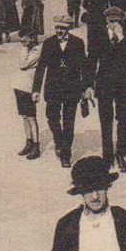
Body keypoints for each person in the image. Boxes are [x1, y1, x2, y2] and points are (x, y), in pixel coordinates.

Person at [33, 15, 90, 168]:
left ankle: (66, 154)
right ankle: (59, 141)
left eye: (62, 28)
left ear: (68, 29)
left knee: (69, 121)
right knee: (52, 117)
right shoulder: (49, 43)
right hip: (53, 88)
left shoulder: (78, 43)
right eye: (57, 28)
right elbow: (41, 67)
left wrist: (85, 87)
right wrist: (36, 90)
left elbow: (84, 66)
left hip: (72, 89)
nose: (59, 31)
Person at [89, 9, 126, 173]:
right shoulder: (98, 37)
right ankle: (107, 156)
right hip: (104, 84)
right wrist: (88, 85)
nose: (113, 25)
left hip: (124, 83)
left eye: (116, 22)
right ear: (106, 22)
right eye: (110, 22)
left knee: (124, 119)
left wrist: (122, 37)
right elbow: (92, 61)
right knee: (106, 121)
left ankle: (121, 154)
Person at [13, 35, 43, 160]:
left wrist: (25, 48)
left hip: (28, 88)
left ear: (32, 39)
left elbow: (23, 64)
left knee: (31, 117)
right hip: (20, 86)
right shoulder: (26, 50)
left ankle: (36, 146)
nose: (23, 42)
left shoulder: (36, 51)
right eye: (21, 39)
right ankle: (29, 142)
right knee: (24, 117)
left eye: (25, 39)